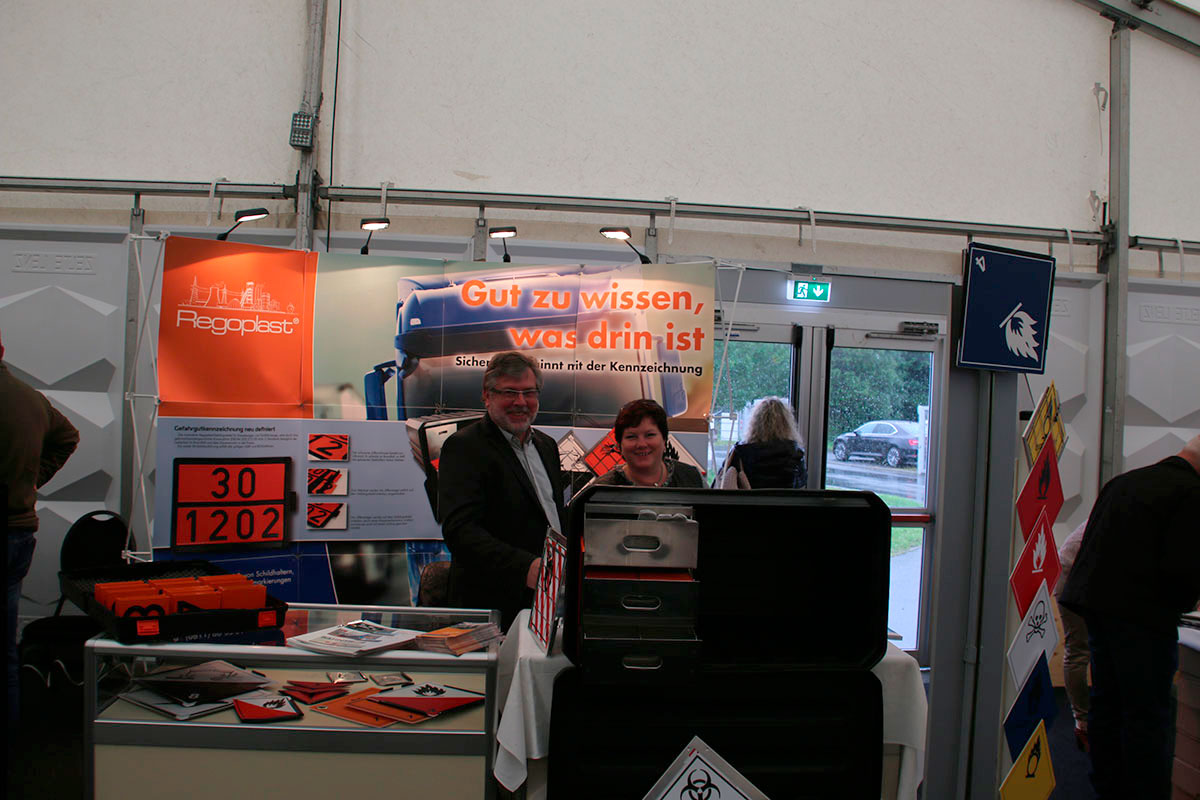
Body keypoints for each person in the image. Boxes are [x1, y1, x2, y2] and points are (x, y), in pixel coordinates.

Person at [1060, 435, 1200, 800]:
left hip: (1097, 611)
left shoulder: (1124, 482)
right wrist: (1186, 604)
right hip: (1144, 621)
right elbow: (1182, 570)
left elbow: (1090, 547)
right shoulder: (1190, 493)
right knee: (1148, 716)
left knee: (1107, 705)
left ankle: (1108, 788)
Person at [437, 351, 566, 630]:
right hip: (492, 606)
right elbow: (461, 531)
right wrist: (525, 567)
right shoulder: (464, 447)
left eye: (529, 392)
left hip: (547, 599)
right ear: (487, 395)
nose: (521, 402)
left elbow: (551, 517)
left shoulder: (547, 446)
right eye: (509, 392)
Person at [2, 332, 80, 730]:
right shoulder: (29, 398)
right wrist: (34, 479)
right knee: (7, 652)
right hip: (17, 532)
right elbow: (68, 437)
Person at [592, 399, 705, 488]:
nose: (641, 444)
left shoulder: (692, 478)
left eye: (649, 435)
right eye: (631, 437)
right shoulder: (601, 490)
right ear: (619, 446)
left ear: (664, 440)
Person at [1053, 518, 1090, 752]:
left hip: (1080, 571)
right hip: (1073, 573)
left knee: (1082, 650)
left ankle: (1086, 723)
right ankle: (1083, 724)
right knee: (1079, 650)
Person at [717, 396, 808, 489]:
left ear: (754, 423)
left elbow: (721, 480)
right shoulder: (795, 454)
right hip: (783, 499)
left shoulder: (740, 453)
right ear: (787, 424)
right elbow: (801, 485)